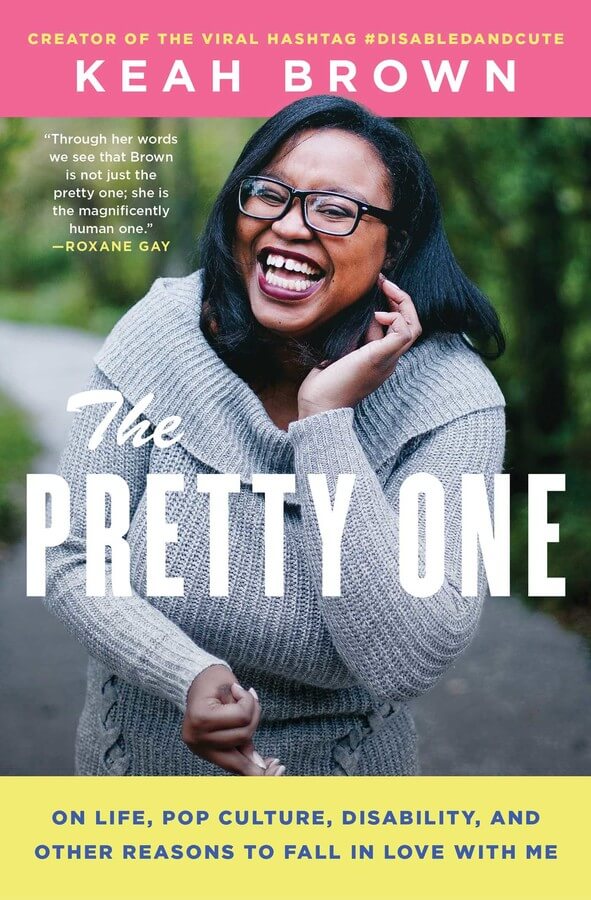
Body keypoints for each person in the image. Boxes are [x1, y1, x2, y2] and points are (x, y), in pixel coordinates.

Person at [45, 95, 505, 777]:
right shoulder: (162, 334)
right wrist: (189, 676)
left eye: (335, 209)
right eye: (268, 194)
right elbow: (71, 552)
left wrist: (324, 424)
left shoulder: (451, 404)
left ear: (395, 242)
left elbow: (409, 657)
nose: (289, 227)